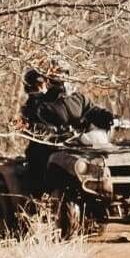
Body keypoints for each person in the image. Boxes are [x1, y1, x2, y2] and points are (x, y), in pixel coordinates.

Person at [18, 60, 118, 192]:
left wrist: (109, 118)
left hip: (80, 146)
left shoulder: (78, 98)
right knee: (40, 172)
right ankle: (40, 201)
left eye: (64, 74)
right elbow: (36, 126)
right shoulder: (41, 103)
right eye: (57, 75)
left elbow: (92, 111)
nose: (62, 78)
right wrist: (57, 131)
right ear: (49, 78)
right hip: (52, 148)